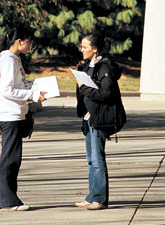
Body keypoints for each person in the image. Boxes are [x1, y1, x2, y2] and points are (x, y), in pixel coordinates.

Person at [0, 26, 46, 211]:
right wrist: (31, 95)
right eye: (29, 42)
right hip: (10, 114)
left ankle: (6, 199)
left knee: (12, 158)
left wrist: (34, 90)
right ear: (19, 41)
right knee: (10, 159)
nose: (31, 45)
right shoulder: (8, 60)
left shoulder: (14, 59)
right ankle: (8, 201)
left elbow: (18, 84)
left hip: (14, 113)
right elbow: (7, 90)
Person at [73, 33, 125, 210]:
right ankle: (92, 196)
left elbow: (106, 94)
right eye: (81, 46)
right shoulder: (87, 65)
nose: (82, 50)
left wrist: (84, 88)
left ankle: (100, 199)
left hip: (100, 118)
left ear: (94, 49)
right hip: (88, 117)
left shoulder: (105, 68)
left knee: (97, 160)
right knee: (90, 160)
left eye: (85, 47)